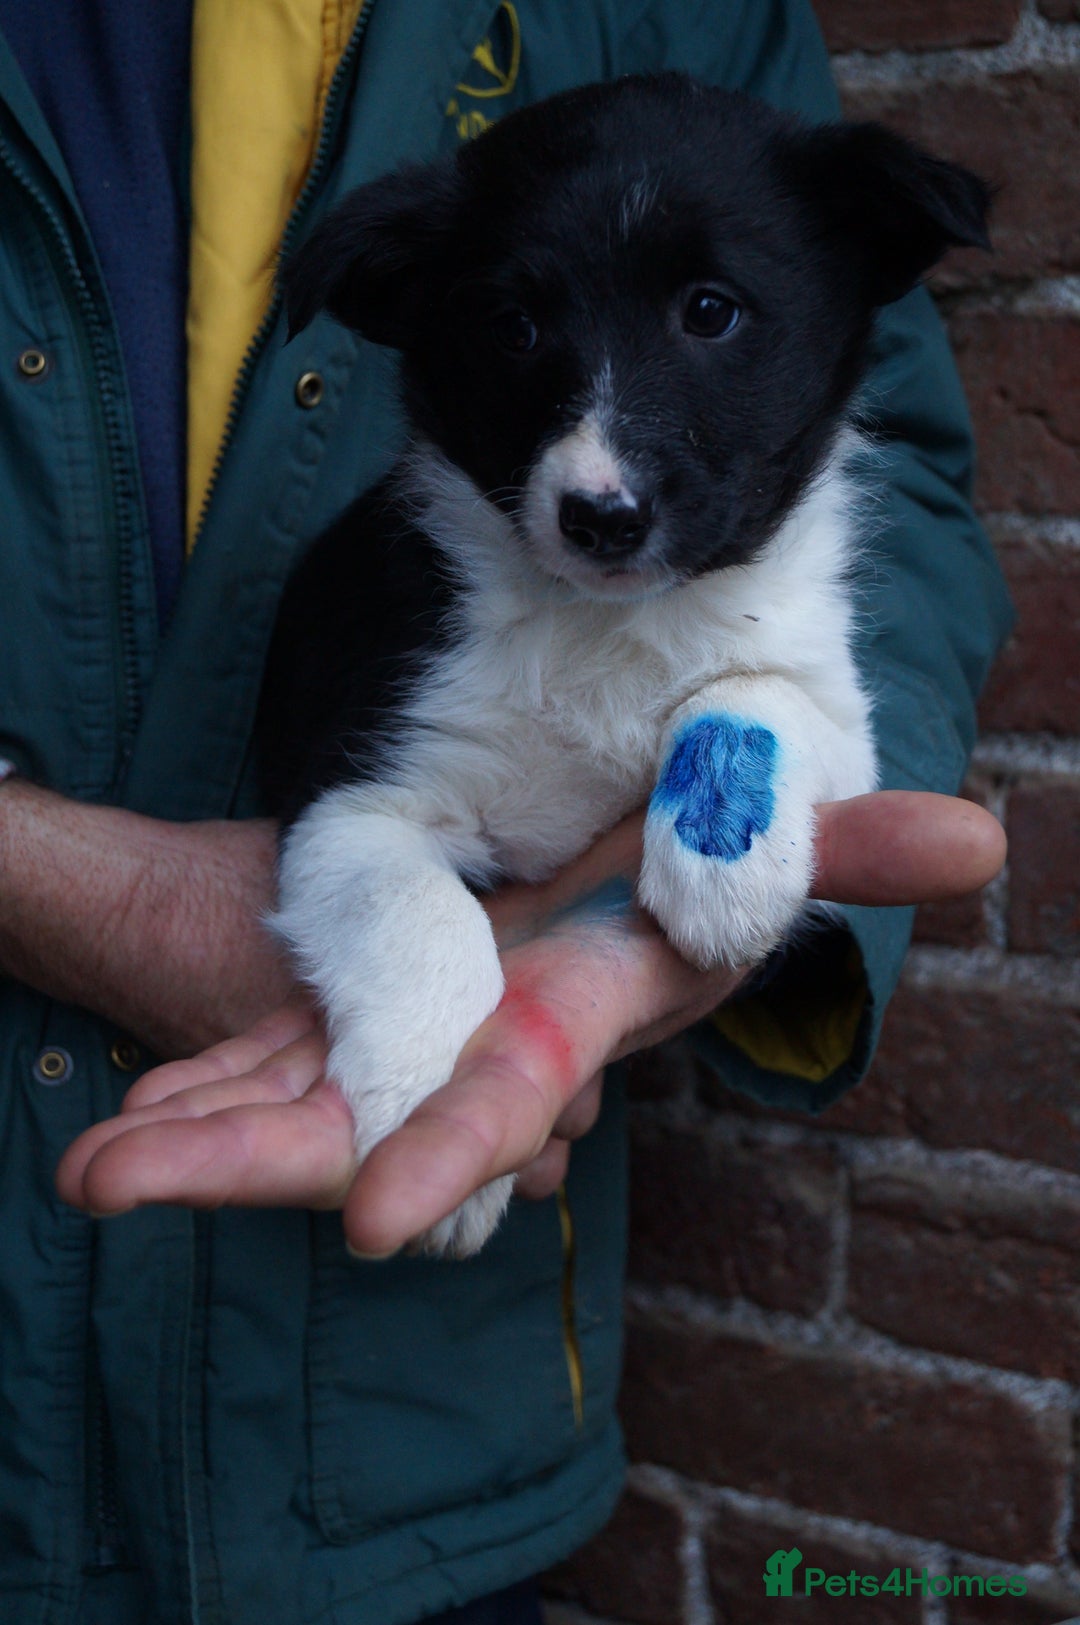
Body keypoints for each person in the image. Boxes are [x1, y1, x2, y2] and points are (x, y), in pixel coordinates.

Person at [0, 3, 1011, 1623]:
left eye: (708, 313)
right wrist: (408, 1011)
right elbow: (362, 833)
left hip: (408, 1445)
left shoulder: (711, 57)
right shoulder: (438, 605)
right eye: (526, 324)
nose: (601, 467)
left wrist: (745, 789)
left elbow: (852, 662)